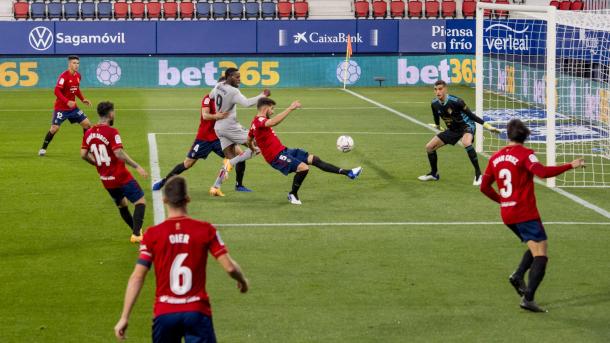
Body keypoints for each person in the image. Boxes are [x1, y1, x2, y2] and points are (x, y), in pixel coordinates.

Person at [114, 176, 249, 342]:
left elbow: (137, 276)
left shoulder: (152, 235)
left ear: (164, 200)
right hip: (197, 312)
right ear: (188, 199)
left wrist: (124, 317)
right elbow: (230, 268)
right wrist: (242, 281)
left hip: (165, 313)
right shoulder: (205, 230)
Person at [480, 118, 585, 312]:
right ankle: (528, 299)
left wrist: (502, 200)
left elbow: (484, 187)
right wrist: (571, 165)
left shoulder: (495, 157)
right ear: (526, 136)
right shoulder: (526, 155)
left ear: (508, 135)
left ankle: (518, 275)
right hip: (524, 212)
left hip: (508, 213)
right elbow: (542, 172)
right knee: (541, 255)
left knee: (535, 244)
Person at [248, 98, 362, 205]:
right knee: (303, 168)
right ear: (265, 108)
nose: (272, 112)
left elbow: (249, 139)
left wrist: (253, 148)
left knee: (315, 159)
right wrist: (290, 108)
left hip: (284, 151)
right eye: (272, 109)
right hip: (276, 157)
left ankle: (349, 173)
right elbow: (272, 122)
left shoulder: (254, 123)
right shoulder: (260, 121)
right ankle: (292, 194)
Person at [81, 101, 148, 243]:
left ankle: (135, 231)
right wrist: (136, 166)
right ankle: (137, 234)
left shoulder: (89, 133)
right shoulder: (112, 132)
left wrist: (97, 163)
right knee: (140, 201)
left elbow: (83, 154)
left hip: (106, 179)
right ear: (110, 114)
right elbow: (118, 153)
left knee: (122, 205)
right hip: (121, 176)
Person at [418, 80, 500, 186]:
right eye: (435, 89)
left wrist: (488, 126)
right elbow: (436, 116)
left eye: (440, 89)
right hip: (452, 130)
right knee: (429, 147)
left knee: (466, 142)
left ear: (445, 89)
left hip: (466, 126)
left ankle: (479, 174)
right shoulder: (434, 104)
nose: (438, 92)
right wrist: (438, 126)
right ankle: (434, 174)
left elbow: (471, 116)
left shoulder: (457, 101)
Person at [152, 85, 230, 193]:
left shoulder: (225, 102)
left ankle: (222, 184)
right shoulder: (208, 98)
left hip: (218, 138)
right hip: (204, 138)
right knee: (188, 164)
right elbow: (205, 116)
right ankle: (164, 182)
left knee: (233, 156)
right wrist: (218, 116)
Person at [208, 68, 270, 196]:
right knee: (259, 145)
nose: (239, 80)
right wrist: (262, 95)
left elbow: (211, 96)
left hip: (219, 127)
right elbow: (247, 103)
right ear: (229, 77)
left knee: (230, 158)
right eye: (237, 77)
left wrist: (219, 111)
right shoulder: (233, 91)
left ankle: (216, 187)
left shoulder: (219, 85)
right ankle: (230, 164)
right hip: (231, 127)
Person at [39, 55, 92, 156]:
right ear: (69, 64)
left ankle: (86, 148)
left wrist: (83, 99)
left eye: (77, 63)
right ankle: (43, 148)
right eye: (74, 63)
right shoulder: (64, 76)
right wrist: (67, 101)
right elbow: (56, 90)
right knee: (54, 128)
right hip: (61, 108)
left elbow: (76, 89)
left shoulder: (78, 76)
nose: (76, 65)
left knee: (87, 125)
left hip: (73, 109)